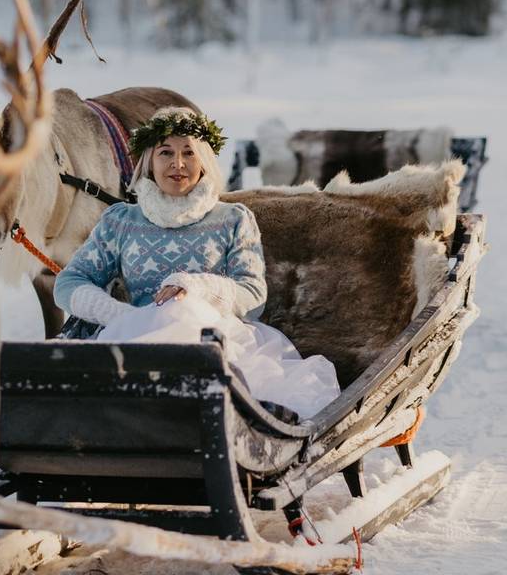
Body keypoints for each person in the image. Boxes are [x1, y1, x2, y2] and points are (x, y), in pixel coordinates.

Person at [53, 107, 339, 419]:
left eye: (188, 152)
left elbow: (253, 296)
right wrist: (120, 316)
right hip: (135, 343)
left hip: (216, 345)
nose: (178, 164)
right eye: (166, 153)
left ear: (203, 159)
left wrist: (198, 287)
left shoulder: (232, 219)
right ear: (149, 161)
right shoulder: (121, 221)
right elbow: (69, 283)